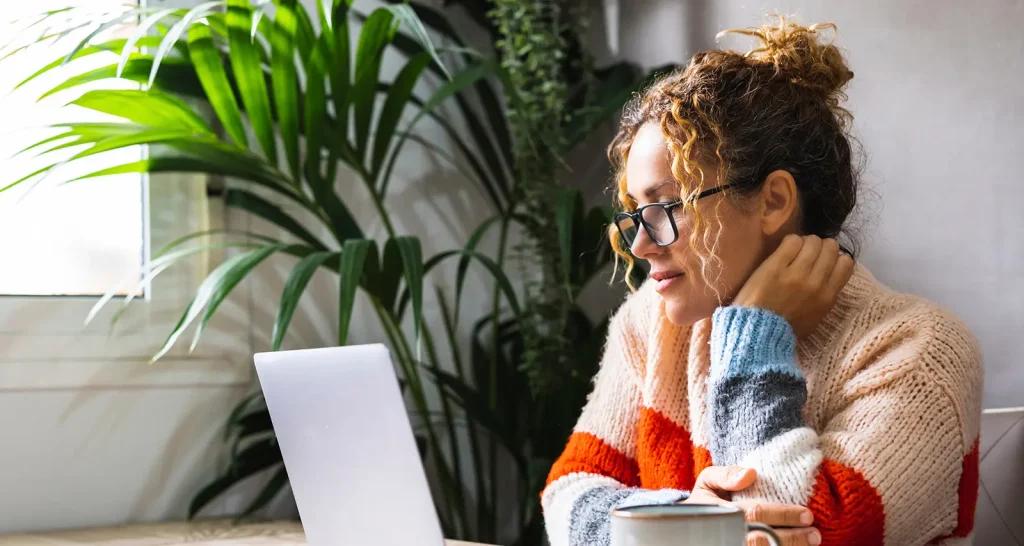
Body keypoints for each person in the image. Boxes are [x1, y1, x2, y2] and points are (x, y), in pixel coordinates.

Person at [541, 16, 983, 546]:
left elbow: (796, 532)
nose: (639, 245)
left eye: (665, 207)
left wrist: (754, 337)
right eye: (637, 212)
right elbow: (565, 493)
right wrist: (687, 513)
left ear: (773, 201)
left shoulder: (919, 350)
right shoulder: (648, 325)